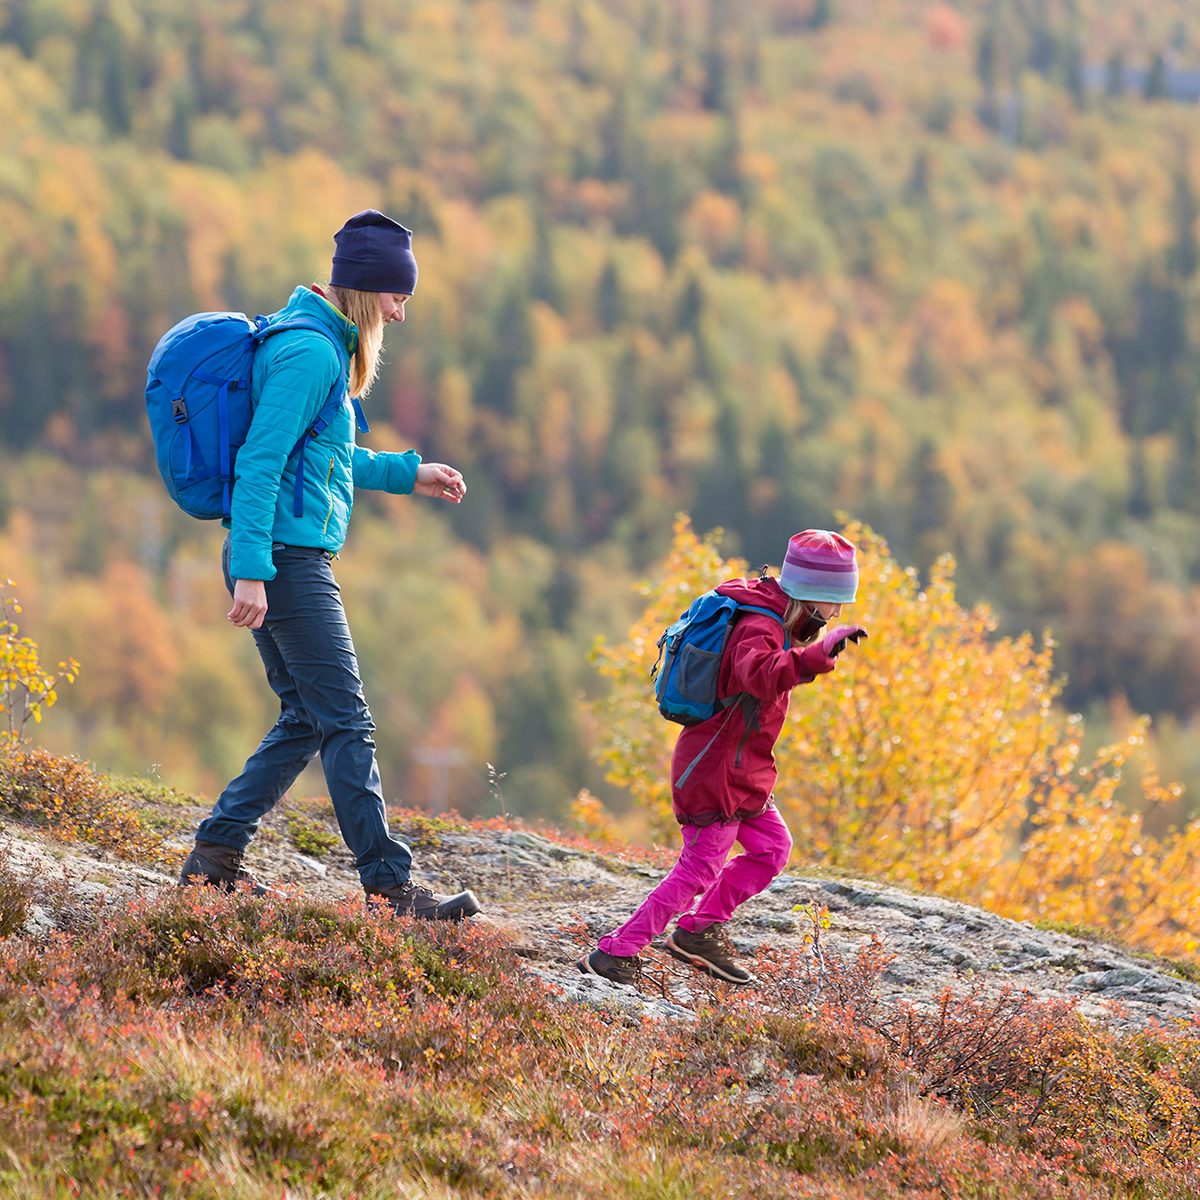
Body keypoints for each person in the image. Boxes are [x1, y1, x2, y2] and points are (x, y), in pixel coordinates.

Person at [179, 209, 480, 921]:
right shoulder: (313, 352)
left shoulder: (315, 342)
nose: (401, 315)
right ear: (369, 290)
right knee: (347, 722)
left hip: (281, 551)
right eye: (398, 298)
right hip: (283, 558)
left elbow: (325, 458)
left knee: (306, 719)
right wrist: (252, 566)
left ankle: (214, 859)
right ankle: (391, 889)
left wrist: (412, 474)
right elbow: (260, 459)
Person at [579, 530, 866, 984]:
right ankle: (615, 952)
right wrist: (812, 658)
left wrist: (809, 652)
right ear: (810, 597)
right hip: (712, 771)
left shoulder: (777, 621)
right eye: (834, 602)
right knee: (699, 867)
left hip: (743, 772)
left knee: (772, 849)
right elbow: (758, 675)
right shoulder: (759, 626)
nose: (837, 614)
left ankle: (698, 930)